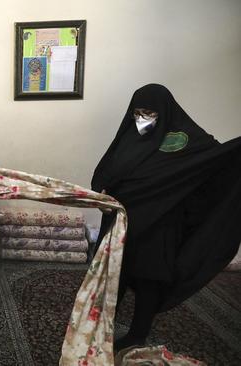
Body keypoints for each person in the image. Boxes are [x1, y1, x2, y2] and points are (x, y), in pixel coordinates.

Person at [91, 84, 241, 352]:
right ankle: (101, 324)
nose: (142, 119)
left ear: (165, 111)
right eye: (137, 113)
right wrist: (101, 194)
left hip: (161, 223)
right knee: (117, 274)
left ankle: (137, 334)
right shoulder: (130, 136)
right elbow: (107, 170)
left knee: (150, 278)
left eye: (149, 113)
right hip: (124, 223)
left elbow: (213, 161)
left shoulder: (185, 137)